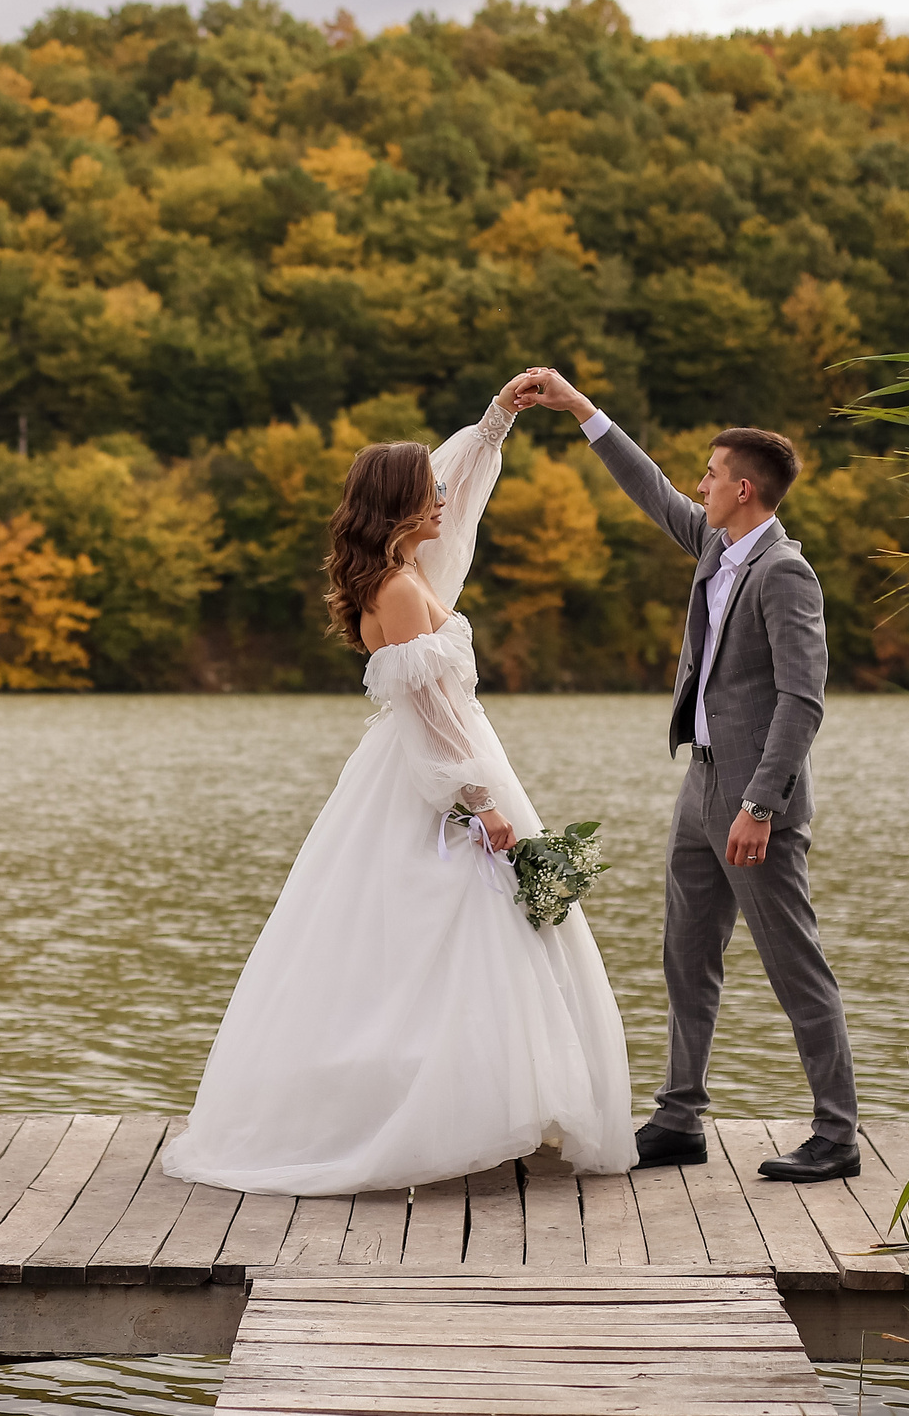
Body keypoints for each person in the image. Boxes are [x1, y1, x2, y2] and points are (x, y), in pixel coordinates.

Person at [160, 387, 636, 1195]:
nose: (446, 500)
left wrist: (496, 422)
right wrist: (482, 803)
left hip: (411, 766)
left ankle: (471, 1110)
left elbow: (455, 475)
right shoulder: (404, 589)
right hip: (444, 770)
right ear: (404, 506)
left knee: (419, 945)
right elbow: (436, 710)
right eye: (432, 494)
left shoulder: (396, 574)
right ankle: (450, 1118)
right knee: (471, 933)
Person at [514, 366, 860, 1184]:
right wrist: (580, 409)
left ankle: (837, 1134)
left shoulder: (785, 572)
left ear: (743, 488)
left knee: (793, 960)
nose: (696, 483)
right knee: (686, 953)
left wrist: (759, 803)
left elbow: (802, 700)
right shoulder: (716, 544)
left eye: (709, 473)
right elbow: (649, 488)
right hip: (699, 787)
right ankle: (680, 1116)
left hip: (752, 803)